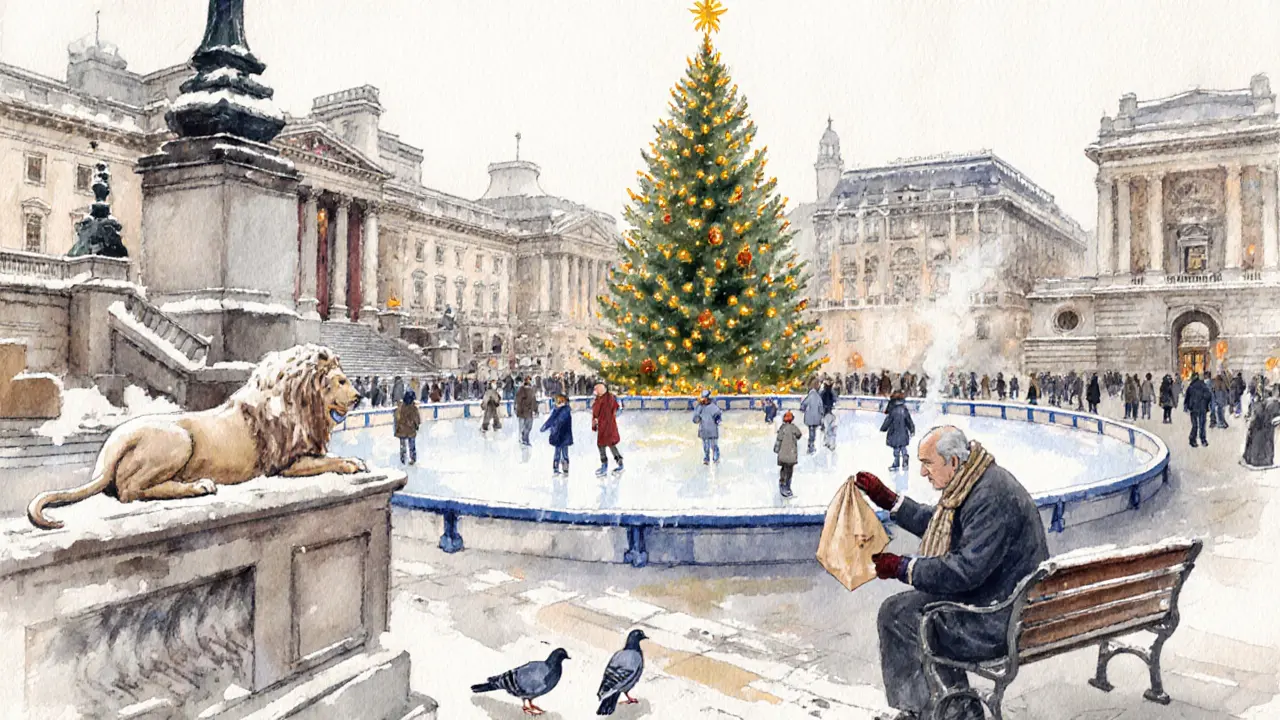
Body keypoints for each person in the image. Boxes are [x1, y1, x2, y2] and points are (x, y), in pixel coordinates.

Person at [854, 427, 1048, 720]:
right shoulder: (978, 481)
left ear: (953, 462)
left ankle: (934, 710)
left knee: (899, 615)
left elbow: (964, 571)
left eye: (928, 463)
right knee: (907, 610)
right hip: (1009, 605)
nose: (922, 472)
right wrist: (890, 500)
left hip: (997, 620)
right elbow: (940, 527)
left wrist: (904, 567)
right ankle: (957, 707)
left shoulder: (989, 497)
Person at [591, 383, 624, 475]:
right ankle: (604, 466)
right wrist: (596, 421)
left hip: (608, 427)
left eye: (596, 389)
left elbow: (614, 409)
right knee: (601, 446)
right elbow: (596, 411)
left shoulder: (609, 398)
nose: (595, 391)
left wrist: (600, 420)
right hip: (602, 427)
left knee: (611, 445)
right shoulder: (599, 399)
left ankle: (620, 464)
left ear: (602, 389)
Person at [1243, 388, 1280, 468]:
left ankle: (1253, 459)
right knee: (1265, 443)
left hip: (1259, 426)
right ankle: (1264, 461)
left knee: (1257, 442)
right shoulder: (1273, 403)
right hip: (1265, 427)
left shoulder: (1261, 403)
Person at [880, 392, 916, 472]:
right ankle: (905, 459)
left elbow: (888, 421)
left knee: (896, 449)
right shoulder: (904, 409)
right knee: (903, 447)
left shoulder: (892, 410)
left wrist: (883, 428)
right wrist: (912, 429)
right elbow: (909, 421)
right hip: (903, 432)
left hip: (894, 432)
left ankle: (896, 464)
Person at [540, 394, 573, 474]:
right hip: (558, 436)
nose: (559, 403)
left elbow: (557, 420)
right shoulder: (556, 411)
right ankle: (556, 468)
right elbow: (551, 420)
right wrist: (545, 426)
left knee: (564, 453)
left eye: (561, 401)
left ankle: (565, 468)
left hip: (563, 436)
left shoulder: (566, 411)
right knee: (557, 453)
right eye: (558, 401)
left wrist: (550, 426)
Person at [774, 410, 803, 498]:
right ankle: (788, 487)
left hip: (783, 454)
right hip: (791, 454)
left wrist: (776, 449)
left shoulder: (782, 428)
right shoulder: (794, 428)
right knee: (790, 471)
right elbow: (799, 435)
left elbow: (778, 440)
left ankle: (782, 485)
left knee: (783, 470)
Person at [692, 390, 723, 465]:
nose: (704, 399)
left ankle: (716, 458)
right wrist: (697, 418)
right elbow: (695, 418)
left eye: (705, 398)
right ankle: (706, 458)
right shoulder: (699, 407)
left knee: (714, 445)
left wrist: (718, 420)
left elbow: (717, 415)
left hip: (712, 429)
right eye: (703, 398)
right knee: (706, 446)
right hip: (704, 429)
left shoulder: (713, 406)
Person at [1184, 372, 1212, 448]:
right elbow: (1209, 395)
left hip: (1193, 408)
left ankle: (1192, 439)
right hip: (1202, 408)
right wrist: (1205, 402)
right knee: (1202, 425)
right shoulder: (1203, 385)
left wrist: (1187, 406)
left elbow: (1187, 398)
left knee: (1195, 425)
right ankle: (1203, 440)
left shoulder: (1191, 386)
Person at [394, 390, 421, 465]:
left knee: (403, 445)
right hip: (411, 429)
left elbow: (396, 417)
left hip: (402, 429)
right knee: (411, 445)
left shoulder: (400, 407)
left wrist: (397, 427)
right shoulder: (414, 408)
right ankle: (413, 458)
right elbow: (417, 419)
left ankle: (403, 458)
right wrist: (417, 426)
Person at [800, 383, 824, 454]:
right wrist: (821, 414)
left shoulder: (809, 396)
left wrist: (802, 409)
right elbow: (821, 408)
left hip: (809, 417)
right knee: (814, 430)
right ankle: (812, 443)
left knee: (811, 430)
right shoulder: (818, 397)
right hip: (817, 417)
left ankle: (811, 444)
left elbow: (803, 404)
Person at [515, 377, 539, 446]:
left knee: (528, 426)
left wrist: (535, 410)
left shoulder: (531, 391)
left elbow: (534, 401)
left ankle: (524, 438)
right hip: (523, 412)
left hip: (527, 412)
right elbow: (518, 401)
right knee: (525, 426)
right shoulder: (521, 390)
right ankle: (524, 439)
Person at [820, 380, 839, 451]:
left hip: (826, 413)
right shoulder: (832, 393)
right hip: (831, 412)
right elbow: (835, 400)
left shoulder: (823, 393)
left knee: (826, 428)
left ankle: (827, 442)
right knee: (831, 429)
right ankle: (831, 444)